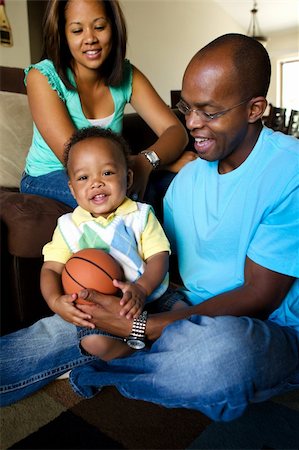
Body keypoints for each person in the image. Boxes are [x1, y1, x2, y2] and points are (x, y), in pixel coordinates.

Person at [1, 33, 298, 422]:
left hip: (263, 324)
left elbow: (260, 296)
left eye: (208, 112)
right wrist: (114, 300)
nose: (190, 124)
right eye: (186, 108)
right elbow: (164, 267)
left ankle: (106, 368)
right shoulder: (188, 180)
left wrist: (141, 325)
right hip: (182, 308)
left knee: (223, 359)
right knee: (64, 326)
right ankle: (131, 348)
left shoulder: (288, 169)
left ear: (255, 108)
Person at [20, 0, 192, 213]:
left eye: (100, 27)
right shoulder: (42, 77)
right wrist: (155, 162)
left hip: (111, 170)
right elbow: (78, 156)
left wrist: (147, 162)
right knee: (123, 200)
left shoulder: (128, 75)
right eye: (76, 30)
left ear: (114, 27)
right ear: (63, 35)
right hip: (48, 176)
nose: (90, 38)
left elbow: (175, 131)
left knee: (183, 183)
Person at [41, 126, 187, 360]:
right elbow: (50, 268)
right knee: (94, 342)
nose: (96, 183)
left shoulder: (140, 214)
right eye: (83, 177)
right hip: (101, 309)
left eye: (107, 173)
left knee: (187, 317)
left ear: (128, 178)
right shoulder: (68, 226)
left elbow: (159, 257)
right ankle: (137, 354)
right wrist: (55, 301)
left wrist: (142, 288)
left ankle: (155, 344)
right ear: (72, 189)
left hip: (153, 296)